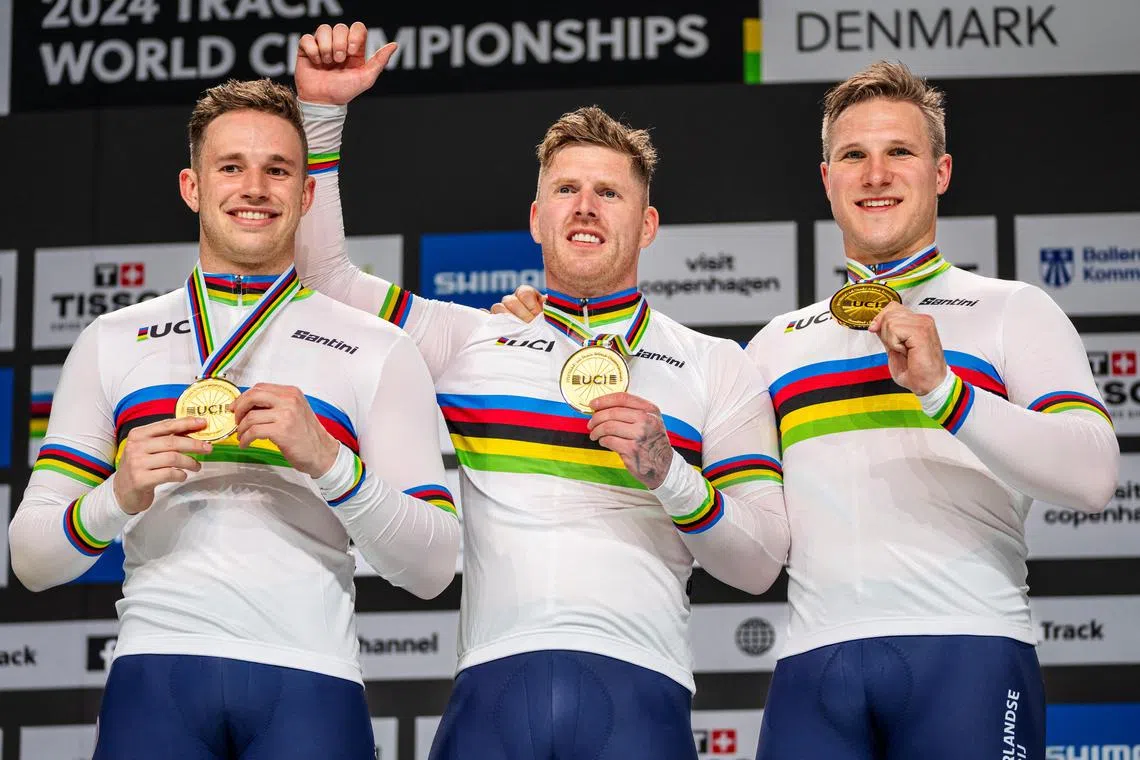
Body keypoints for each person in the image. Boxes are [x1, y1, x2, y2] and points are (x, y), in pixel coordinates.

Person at [499, 61, 1120, 759]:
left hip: (968, 651)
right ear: (827, 178)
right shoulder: (775, 346)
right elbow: (755, 533)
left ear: (941, 172)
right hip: (813, 670)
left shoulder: (1012, 310)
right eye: (853, 155)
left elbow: (1094, 475)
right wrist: (549, 323)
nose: (875, 174)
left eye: (900, 153)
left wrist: (946, 392)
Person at [292, 22, 789, 760]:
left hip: (641, 692)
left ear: (647, 224)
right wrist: (320, 117)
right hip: (492, 689)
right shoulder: (469, 339)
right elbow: (324, 284)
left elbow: (759, 565)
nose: (585, 206)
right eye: (566, 190)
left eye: (609, 193)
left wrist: (671, 475)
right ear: (536, 218)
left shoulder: (716, 364)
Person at [9, 79, 460, 760]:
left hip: (311, 683)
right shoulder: (111, 338)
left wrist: (331, 464)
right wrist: (115, 497)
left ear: (306, 195)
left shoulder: (377, 346)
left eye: (277, 170)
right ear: (192, 186)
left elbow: (432, 566)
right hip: (155, 677)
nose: (255, 187)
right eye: (231, 167)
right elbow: (31, 558)